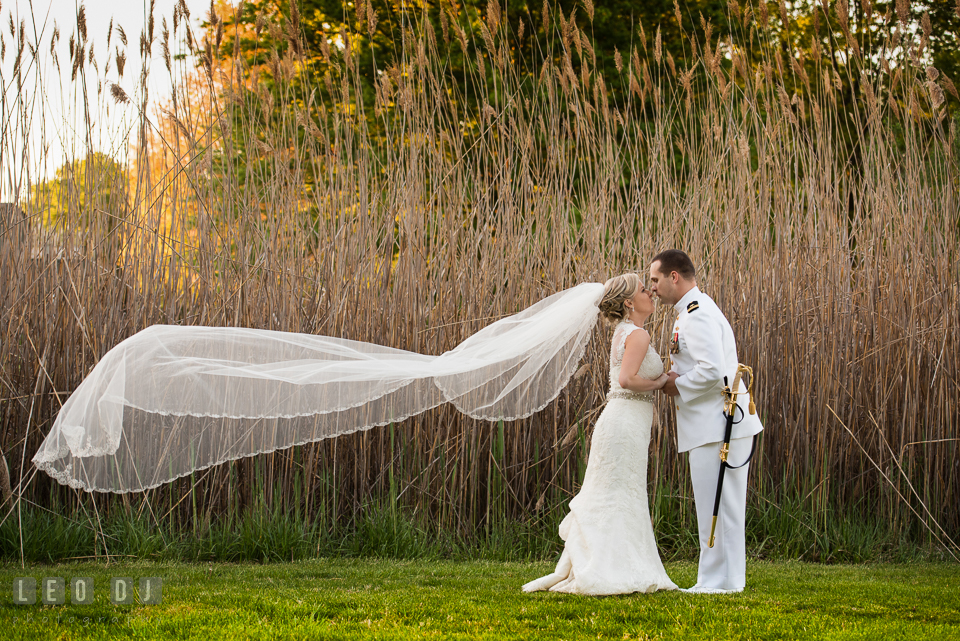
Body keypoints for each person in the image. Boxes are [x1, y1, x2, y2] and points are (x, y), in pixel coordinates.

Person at [523, 274, 678, 595]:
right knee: (620, 492)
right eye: (642, 290)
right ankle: (610, 567)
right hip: (625, 421)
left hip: (622, 422)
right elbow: (626, 379)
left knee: (619, 492)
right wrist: (661, 382)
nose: (650, 292)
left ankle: (608, 561)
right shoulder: (637, 335)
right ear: (628, 303)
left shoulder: (624, 332)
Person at [648, 250, 763, 594]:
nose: (651, 287)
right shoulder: (693, 310)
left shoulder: (696, 315)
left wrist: (675, 385)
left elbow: (713, 370)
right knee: (717, 505)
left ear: (674, 277)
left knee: (721, 506)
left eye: (655, 279)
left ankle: (720, 583)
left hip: (718, 426)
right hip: (714, 424)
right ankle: (717, 580)